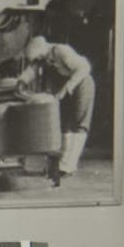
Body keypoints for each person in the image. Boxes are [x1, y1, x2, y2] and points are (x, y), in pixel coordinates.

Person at [17, 35, 94, 177]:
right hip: (67, 86)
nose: (37, 59)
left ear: (41, 49)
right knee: (65, 124)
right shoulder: (43, 57)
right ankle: (62, 164)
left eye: (38, 56)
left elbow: (84, 67)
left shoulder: (60, 51)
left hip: (82, 84)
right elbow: (33, 69)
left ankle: (69, 166)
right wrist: (21, 81)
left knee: (78, 123)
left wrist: (67, 88)